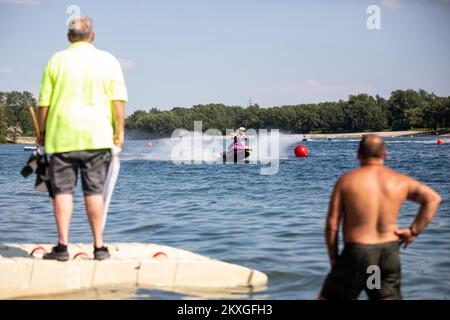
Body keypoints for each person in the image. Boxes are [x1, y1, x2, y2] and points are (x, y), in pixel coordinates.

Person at [36, 17, 127, 261]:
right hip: (97, 137)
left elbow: (43, 104)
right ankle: (99, 247)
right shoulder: (108, 60)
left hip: (61, 137)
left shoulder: (56, 60)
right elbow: (118, 101)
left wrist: (41, 133)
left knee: (62, 192)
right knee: (94, 192)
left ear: (69, 37)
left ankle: (63, 246)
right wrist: (119, 132)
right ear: (92, 35)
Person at [320, 134, 441, 299]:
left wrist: (334, 259)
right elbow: (433, 199)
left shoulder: (347, 181)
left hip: (357, 256)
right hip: (386, 255)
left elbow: (332, 226)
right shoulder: (399, 181)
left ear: (358, 154)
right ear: (385, 155)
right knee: (380, 294)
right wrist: (413, 231)